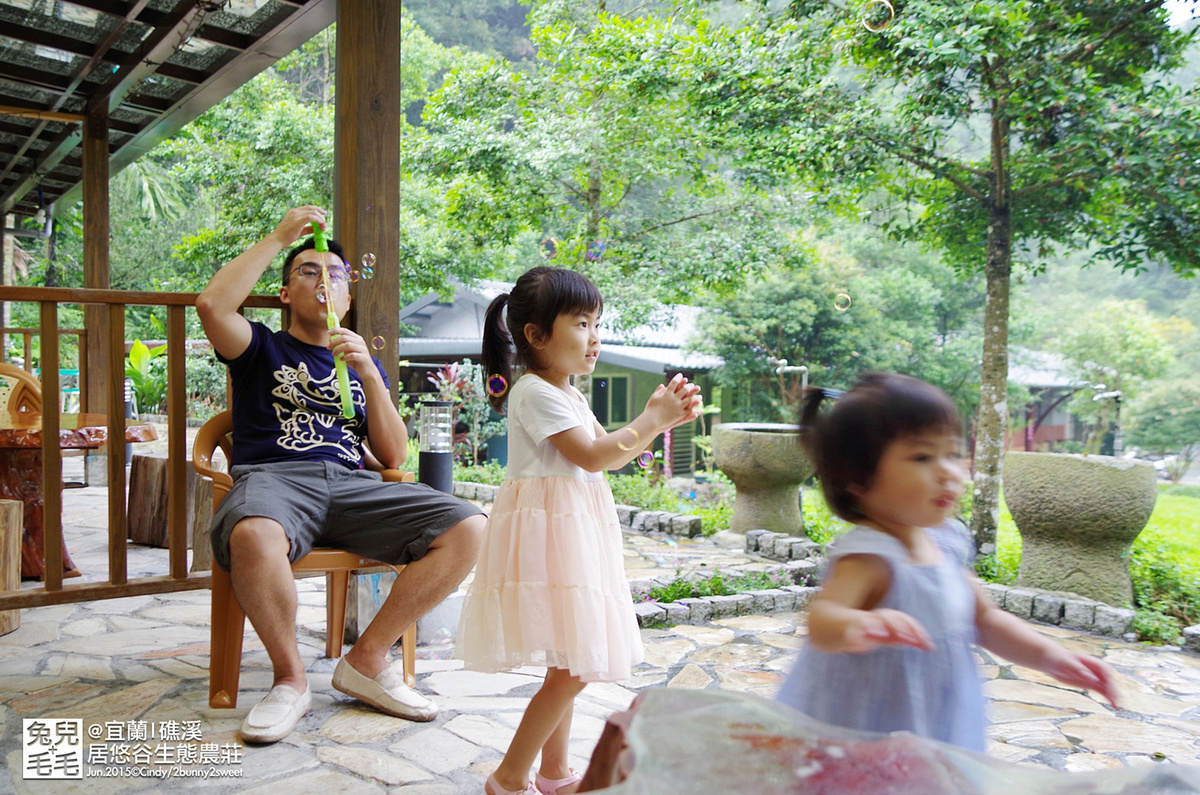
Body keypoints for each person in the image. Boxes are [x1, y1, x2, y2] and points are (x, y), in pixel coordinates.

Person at [195, 205, 485, 744]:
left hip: (353, 486)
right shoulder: (260, 347)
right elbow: (212, 304)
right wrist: (280, 237)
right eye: (308, 271)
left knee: (471, 527)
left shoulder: (355, 365)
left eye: (335, 275)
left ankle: (366, 662)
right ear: (285, 293)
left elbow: (394, 456)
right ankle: (290, 680)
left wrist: (372, 376)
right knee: (253, 532)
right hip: (275, 480)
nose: (323, 280)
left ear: (348, 297)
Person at [455, 266, 703, 795]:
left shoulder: (566, 392)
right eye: (581, 323)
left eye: (597, 323)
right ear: (536, 335)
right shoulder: (534, 392)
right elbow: (590, 456)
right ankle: (508, 777)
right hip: (550, 539)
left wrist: (661, 421)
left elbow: (609, 456)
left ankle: (552, 772)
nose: (595, 337)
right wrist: (651, 420)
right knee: (575, 666)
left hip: (570, 532)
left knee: (568, 658)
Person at [775, 373, 1120, 752]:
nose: (948, 472)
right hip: (864, 731)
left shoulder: (947, 543)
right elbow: (822, 618)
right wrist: (860, 623)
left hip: (935, 725)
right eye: (922, 457)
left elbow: (985, 620)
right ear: (857, 477)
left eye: (953, 454)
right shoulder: (870, 556)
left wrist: (1051, 656)